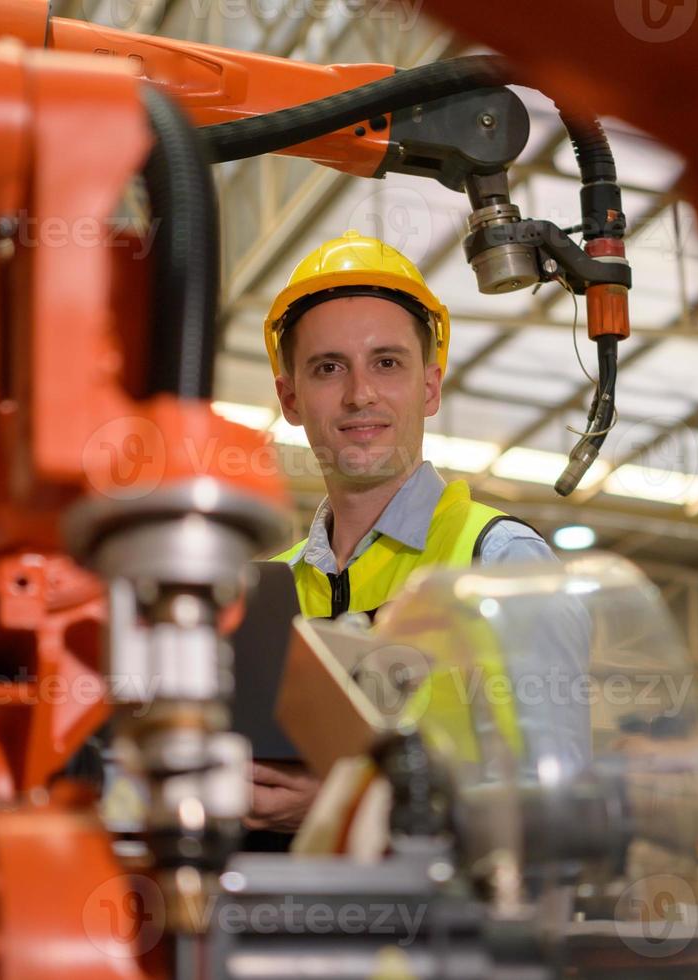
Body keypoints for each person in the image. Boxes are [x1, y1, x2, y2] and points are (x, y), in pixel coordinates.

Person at [246, 231, 580, 836]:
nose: (360, 395)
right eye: (328, 368)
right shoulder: (269, 591)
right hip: (286, 923)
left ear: (429, 387)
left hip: (445, 929)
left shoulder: (499, 564)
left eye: (387, 362)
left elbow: (555, 802)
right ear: (290, 398)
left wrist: (342, 807)